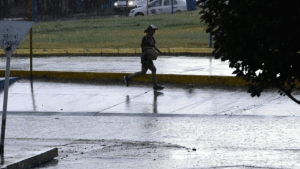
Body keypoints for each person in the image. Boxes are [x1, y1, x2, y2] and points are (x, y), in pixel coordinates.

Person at [124, 25, 164, 90]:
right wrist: (153, 51)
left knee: (143, 72)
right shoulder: (145, 38)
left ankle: (128, 78)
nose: (154, 32)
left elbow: (153, 46)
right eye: (153, 31)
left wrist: (159, 51)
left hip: (149, 57)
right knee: (153, 70)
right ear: (149, 31)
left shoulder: (152, 38)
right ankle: (155, 86)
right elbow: (144, 47)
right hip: (146, 57)